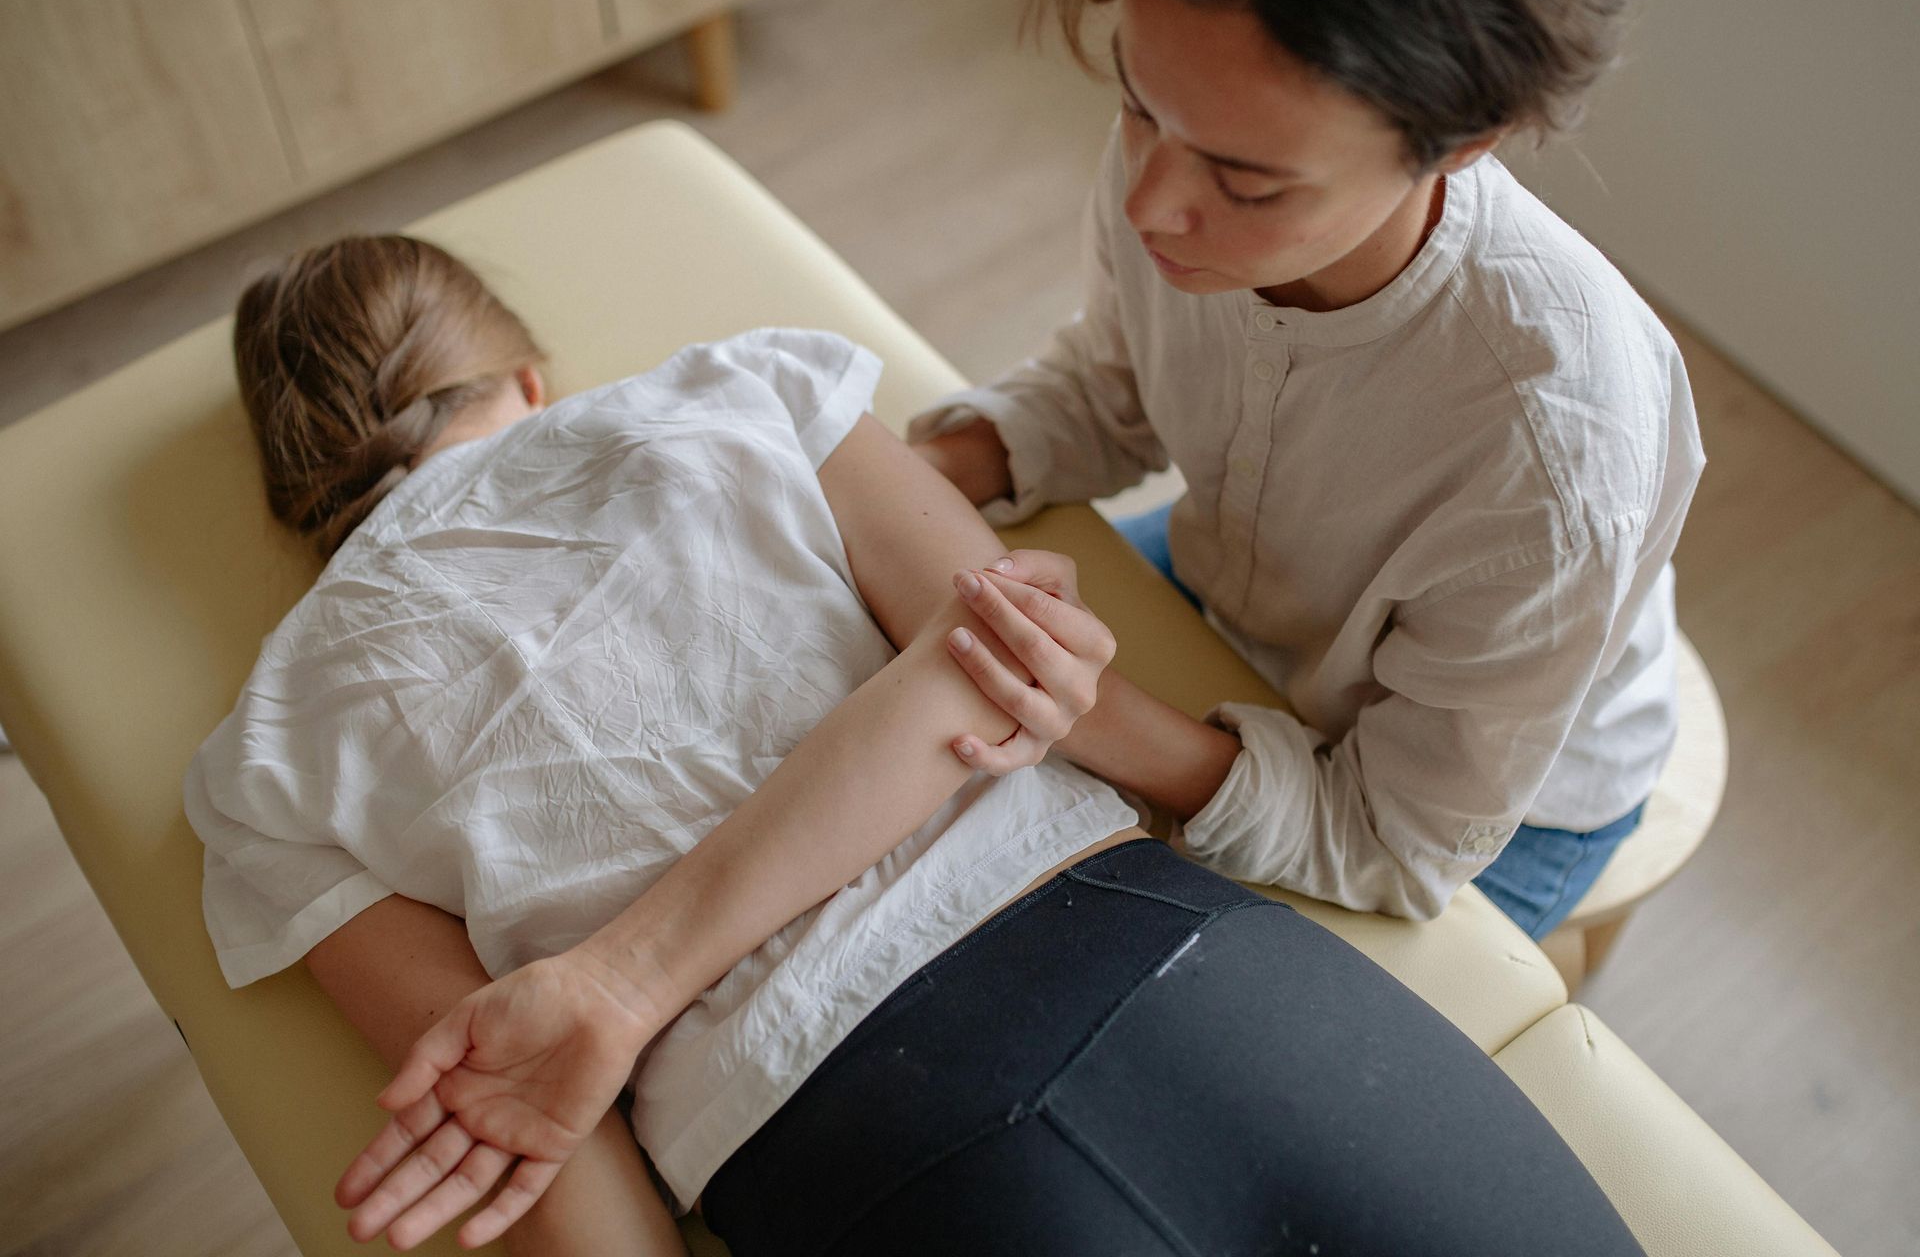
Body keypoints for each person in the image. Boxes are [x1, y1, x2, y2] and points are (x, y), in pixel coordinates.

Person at [186, 235, 1644, 1256]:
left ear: (301, 492)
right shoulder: (739, 390)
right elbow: (997, 664)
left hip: (835, 1151)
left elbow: (523, 1120)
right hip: (1156, 956)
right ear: (529, 377)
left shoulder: (257, 769)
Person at [911, 0, 1707, 938]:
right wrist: (927, 469)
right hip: (1256, 587)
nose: (1151, 202)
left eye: (1246, 183)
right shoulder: (1195, 127)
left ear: (1461, 145)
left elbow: (1390, 841)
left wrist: (1090, 716)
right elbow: (1112, 388)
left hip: (1479, 809)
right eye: (1135, 101)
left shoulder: (1555, 459)